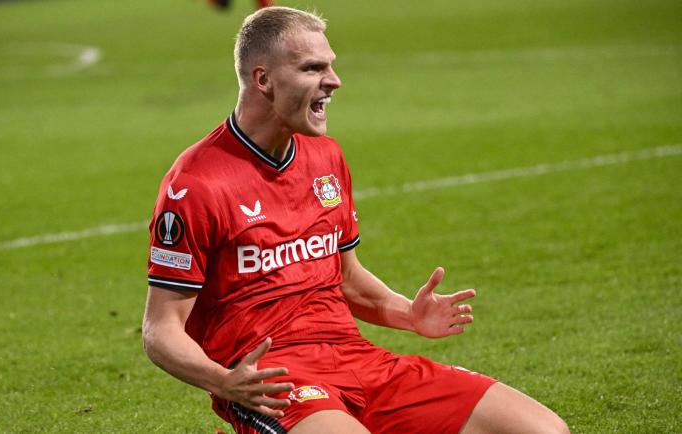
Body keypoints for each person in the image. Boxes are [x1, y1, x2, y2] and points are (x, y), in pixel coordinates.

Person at [142, 6, 570, 434]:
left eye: (331, 66)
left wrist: (408, 314)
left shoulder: (326, 157)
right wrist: (225, 382)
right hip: (273, 380)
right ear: (263, 80)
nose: (334, 81)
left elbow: (346, 278)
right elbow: (160, 330)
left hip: (358, 359)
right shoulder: (196, 183)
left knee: (544, 430)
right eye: (313, 68)